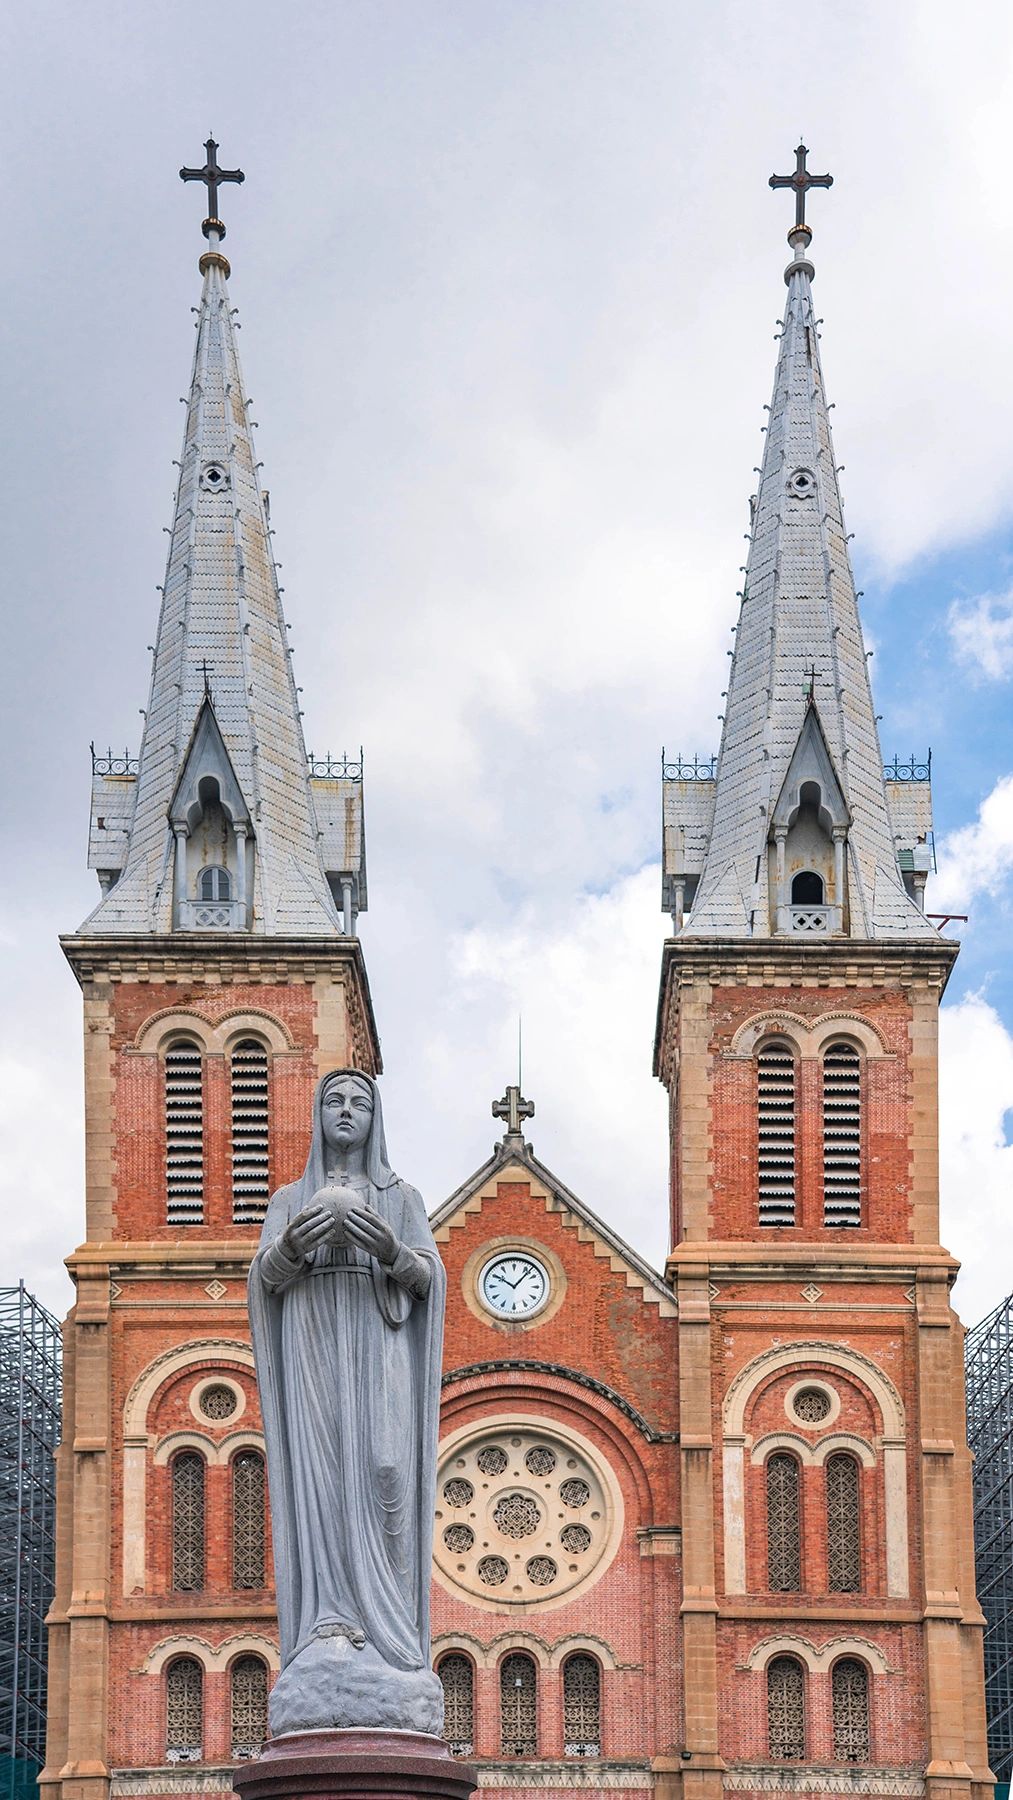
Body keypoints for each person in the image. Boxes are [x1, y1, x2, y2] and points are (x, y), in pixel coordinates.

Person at [248, 1068, 446, 1733]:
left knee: (387, 1471)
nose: (345, 1110)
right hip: (315, 1352)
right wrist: (297, 1244)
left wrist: (385, 1244)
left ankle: (390, 1637)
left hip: (379, 1346)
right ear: (316, 1114)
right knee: (325, 1485)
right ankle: (330, 1619)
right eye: (332, 1099)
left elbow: (425, 1278)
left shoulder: (402, 1196)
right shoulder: (289, 1198)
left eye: (359, 1102)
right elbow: (265, 1277)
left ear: (375, 1119)